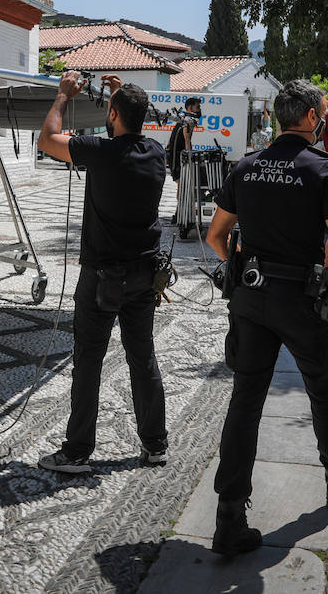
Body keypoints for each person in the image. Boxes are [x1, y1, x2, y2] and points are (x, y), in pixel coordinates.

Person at [204, 79, 328, 556]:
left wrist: (239, 268)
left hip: (251, 295)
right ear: (309, 118)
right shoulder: (324, 171)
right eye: (322, 113)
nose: (324, 120)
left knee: (245, 402)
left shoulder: (246, 167)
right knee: (324, 392)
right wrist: (327, 288)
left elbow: (215, 238)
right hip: (301, 298)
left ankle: (228, 517)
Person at [37, 70, 169, 474]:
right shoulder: (156, 153)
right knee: (142, 356)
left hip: (102, 278)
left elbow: (47, 139)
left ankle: (77, 452)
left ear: (112, 115)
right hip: (146, 273)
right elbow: (130, 130)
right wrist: (120, 97)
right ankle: (155, 445)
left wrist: (63, 95)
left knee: (89, 360)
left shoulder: (101, 151)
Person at [167, 96, 202, 181]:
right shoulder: (188, 120)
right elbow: (187, 140)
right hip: (177, 155)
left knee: (182, 183)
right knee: (182, 182)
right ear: (190, 107)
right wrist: (190, 160)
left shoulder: (186, 119)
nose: (200, 109)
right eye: (197, 107)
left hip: (176, 154)